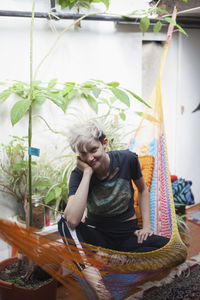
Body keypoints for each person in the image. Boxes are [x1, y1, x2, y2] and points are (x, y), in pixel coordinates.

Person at [58, 120, 169, 299]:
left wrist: (147, 227)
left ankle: (117, 259)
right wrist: (87, 174)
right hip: (98, 238)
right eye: (83, 154)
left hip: (127, 235)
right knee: (63, 222)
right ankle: (100, 290)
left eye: (93, 150)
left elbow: (142, 189)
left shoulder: (127, 159)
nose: (89, 158)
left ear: (104, 143)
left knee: (170, 249)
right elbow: (72, 220)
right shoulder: (78, 175)